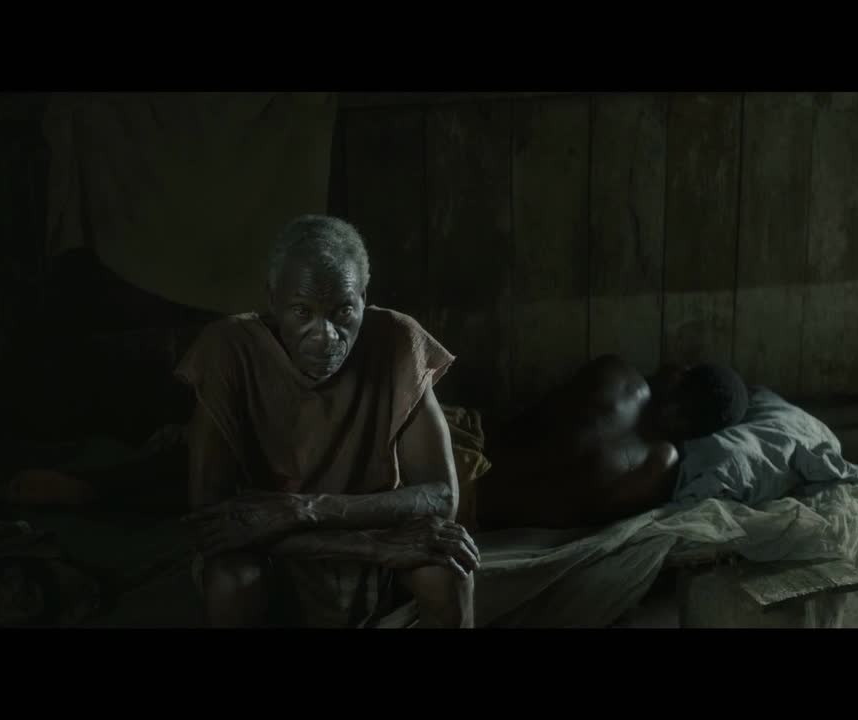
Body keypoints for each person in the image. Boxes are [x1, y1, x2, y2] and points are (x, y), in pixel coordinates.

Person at [175, 215, 478, 628]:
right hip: (275, 548)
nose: (326, 336)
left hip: (355, 533)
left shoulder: (397, 338)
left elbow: (442, 497)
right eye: (302, 312)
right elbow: (212, 522)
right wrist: (371, 546)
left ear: (363, 298)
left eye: (343, 312)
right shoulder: (228, 349)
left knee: (449, 570)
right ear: (273, 301)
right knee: (231, 582)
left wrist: (302, 509)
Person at [472, 355, 748, 531]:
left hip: (466, 457)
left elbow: (532, 417)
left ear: (680, 375)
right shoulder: (661, 466)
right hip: (482, 514)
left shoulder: (620, 375)